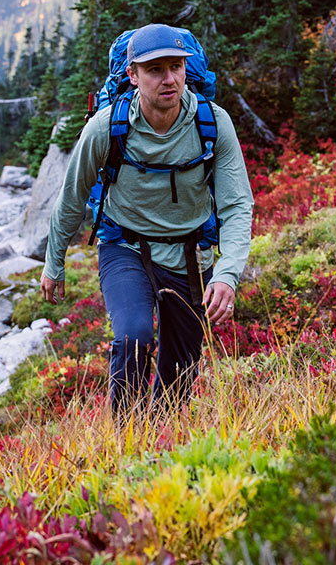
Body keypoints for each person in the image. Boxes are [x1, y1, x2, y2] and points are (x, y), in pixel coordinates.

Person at [40, 23, 254, 415]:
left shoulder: (213, 122)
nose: (169, 78)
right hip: (126, 248)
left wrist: (227, 273)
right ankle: (127, 438)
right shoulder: (106, 127)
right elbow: (70, 199)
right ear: (132, 75)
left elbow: (238, 205)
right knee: (133, 335)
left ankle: (161, 436)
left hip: (191, 256)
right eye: (155, 69)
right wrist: (54, 263)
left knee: (182, 363)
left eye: (176, 66)